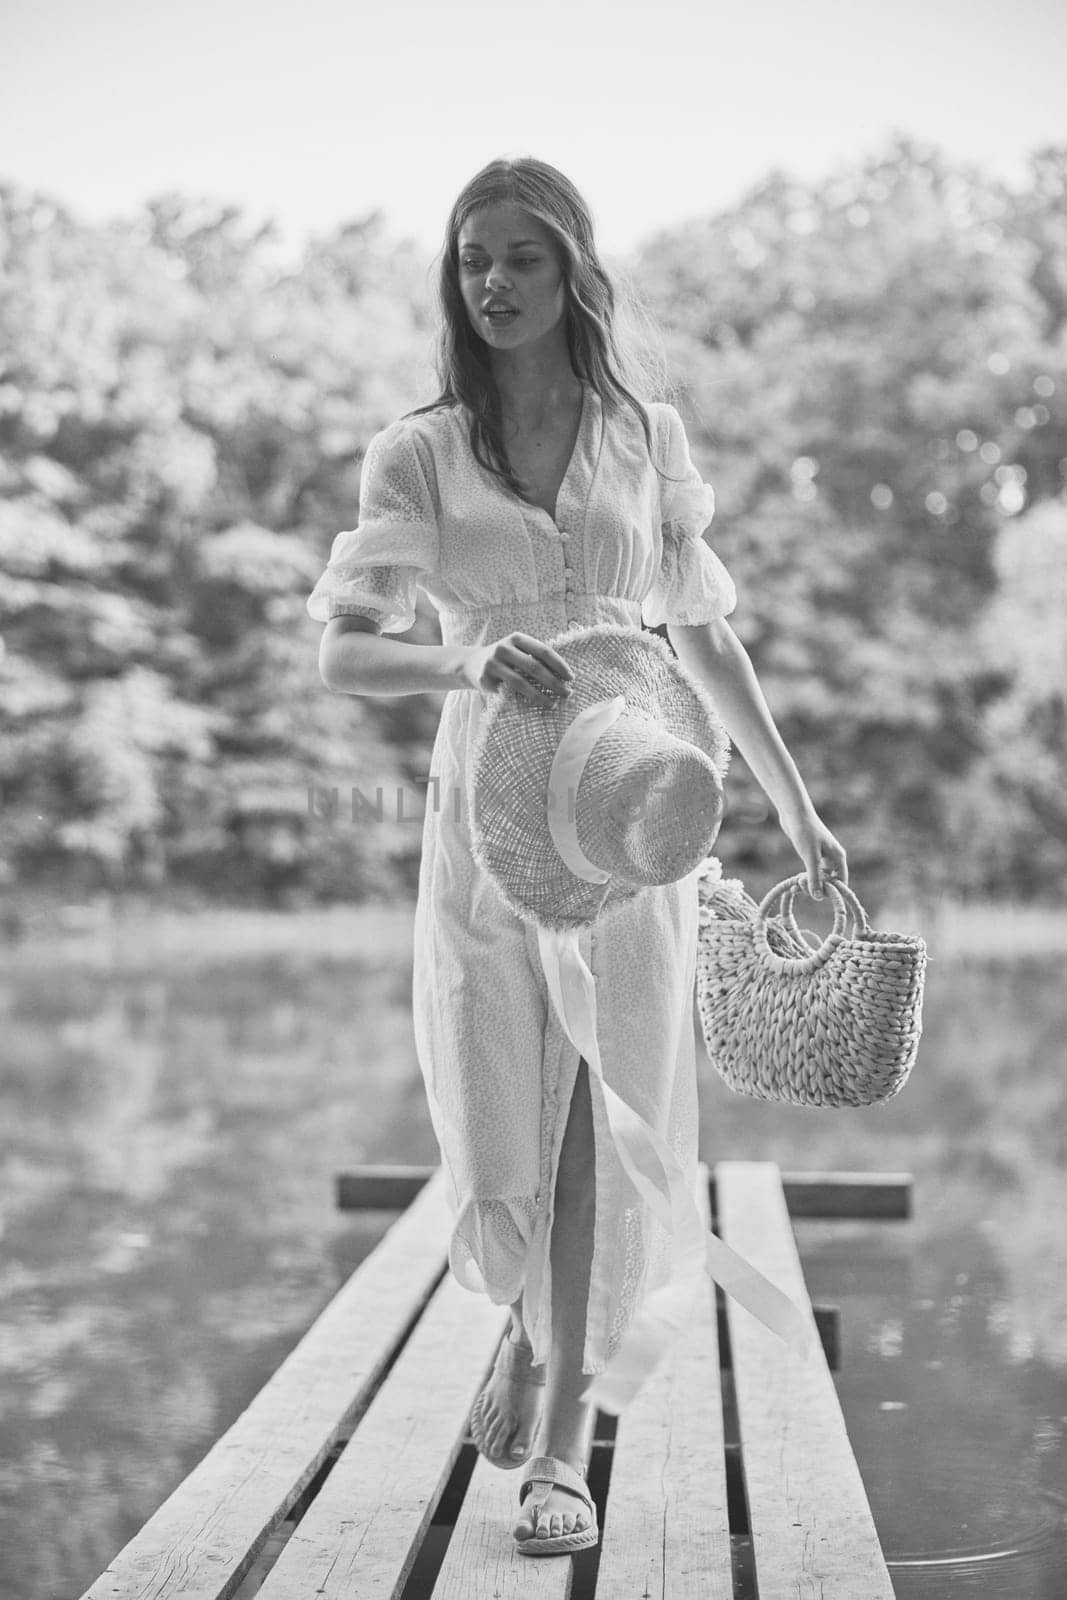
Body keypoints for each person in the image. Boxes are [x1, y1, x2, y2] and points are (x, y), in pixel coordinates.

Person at [307, 155, 848, 1553]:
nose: (492, 282)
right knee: (506, 1122)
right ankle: (533, 1339)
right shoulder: (417, 452)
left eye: (521, 259)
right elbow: (344, 657)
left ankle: (559, 1451)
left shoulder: (643, 436)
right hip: (488, 824)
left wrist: (794, 807)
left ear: (573, 273)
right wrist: (466, 665)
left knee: (607, 1121)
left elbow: (702, 629)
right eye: (473, 258)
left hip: (629, 813)